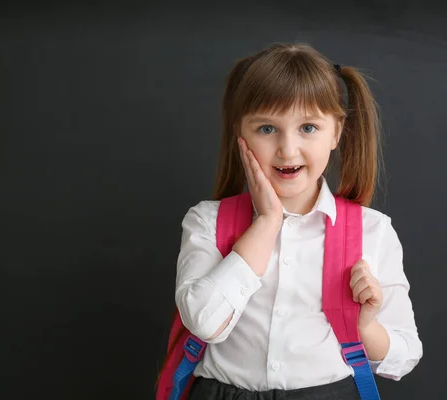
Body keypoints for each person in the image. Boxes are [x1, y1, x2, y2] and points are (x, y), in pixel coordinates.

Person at [175, 42, 423, 399]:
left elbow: (406, 355)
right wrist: (266, 223)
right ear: (239, 134)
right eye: (266, 129)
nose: (287, 149)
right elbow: (204, 324)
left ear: (336, 132)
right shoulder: (206, 221)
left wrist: (366, 327)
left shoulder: (373, 231)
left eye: (308, 128)